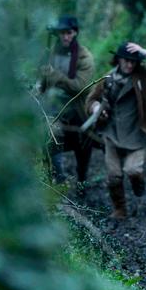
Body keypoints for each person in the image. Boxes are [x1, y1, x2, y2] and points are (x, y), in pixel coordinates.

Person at [85, 42, 146, 219]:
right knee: (114, 175)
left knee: (133, 170)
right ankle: (120, 209)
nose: (129, 65)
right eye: (126, 61)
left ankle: (139, 184)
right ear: (118, 60)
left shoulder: (142, 75)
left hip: (136, 133)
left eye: (133, 61)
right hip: (111, 133)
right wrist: (96, 107)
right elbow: (91, 100)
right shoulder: (108, 78)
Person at [39, 15, 95, 186]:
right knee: (49, 132)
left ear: (75, 33)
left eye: (69, 32)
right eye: (62, 33)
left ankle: (82, 179)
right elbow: (41, 81)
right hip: (52, 107)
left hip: (76, 107)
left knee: (86, 144)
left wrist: (54, 75)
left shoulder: (85, 57)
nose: (65, 36)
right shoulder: (50, 53)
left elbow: (79, 87)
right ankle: (57, 177)